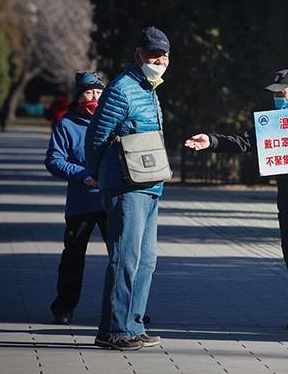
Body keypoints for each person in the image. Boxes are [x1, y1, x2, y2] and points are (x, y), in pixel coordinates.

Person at [185, 69, 288, 332]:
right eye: (274, 94)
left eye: (281, 93)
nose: (276, 98)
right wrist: (212, 141)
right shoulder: (274, 122)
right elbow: (245, 141)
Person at [85, 26, 170, 351]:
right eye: (152, 55)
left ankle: (134, 323)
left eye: (163, 55)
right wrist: (96, 174)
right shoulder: (122, 88)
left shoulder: (149, 88)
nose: (158, 60)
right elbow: (96, 136)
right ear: (138, 55)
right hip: (124, 185)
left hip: (150, 185)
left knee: (146, 259)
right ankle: (113, 330)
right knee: (125, 258)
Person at [44, 71, 107, 325]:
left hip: (110, 202)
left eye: (99, 92)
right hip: (81, 204)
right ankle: (64, 308)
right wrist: (82, 175)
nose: (94, 97)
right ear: (79, 96)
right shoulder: (66, 125)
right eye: (89, 92)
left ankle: (126, 311)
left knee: (121, 258)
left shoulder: (112, 121)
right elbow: (53, 161)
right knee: (72, 258)